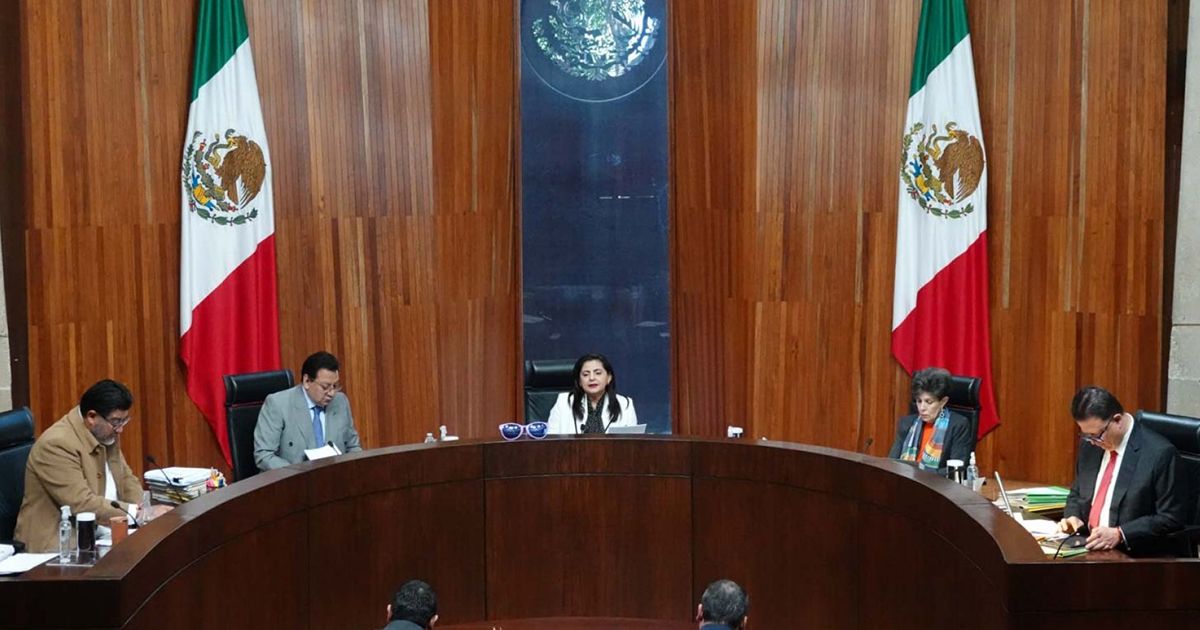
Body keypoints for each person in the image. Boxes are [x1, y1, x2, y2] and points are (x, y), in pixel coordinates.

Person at [14, 379, 172, 552]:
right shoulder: (56, 444)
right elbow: (81, 503)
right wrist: (137, 514)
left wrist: (144, 510)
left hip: (100, 536)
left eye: (124, 421)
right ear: (91, 417)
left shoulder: (105, 433)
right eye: (116, 422)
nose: (120, 429)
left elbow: (126, 479)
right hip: (57, 549)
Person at [1057, 385, 1186, 555]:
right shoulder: (1090, 445)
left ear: (1117, 420)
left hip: (1131, 554)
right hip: (1087, 547)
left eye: (1097, 435)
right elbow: (1077, 492)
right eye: (1087, 435)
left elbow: (1171, 517)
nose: (1093, 442)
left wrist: (1120, 533)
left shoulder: (1159, 454)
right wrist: (1073, 516)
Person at [254, 351, 363, 471]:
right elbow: (264, 455)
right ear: (307, 381)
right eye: (325, 387)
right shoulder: (278, 404)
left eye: (335, 386)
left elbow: (353, 447)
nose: (332, 393)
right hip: (293, 479)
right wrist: (297, 473)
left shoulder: (340, 401)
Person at [887, 366, 974, 474]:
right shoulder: (907, 423)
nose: (922, 408)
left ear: (943, 402)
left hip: (938, 483)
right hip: (907, 480)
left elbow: (956, 469)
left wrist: (921, 474)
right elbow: (892, 463)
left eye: (929, 402)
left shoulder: (958, 425)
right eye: (919, 401)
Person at [546, 353, 638, 434]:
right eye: (586, 374)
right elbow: (551, 440)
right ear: (579, 381)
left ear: (609, 378)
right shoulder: (563, 402)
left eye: (598, 373)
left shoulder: (625, 405)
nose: (592, 378)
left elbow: (633, 443)